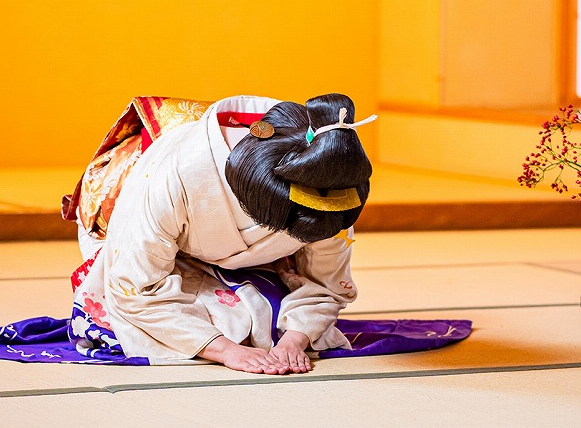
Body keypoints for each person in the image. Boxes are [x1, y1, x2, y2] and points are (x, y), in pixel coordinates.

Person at [63, 92, 376, 374]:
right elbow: (134, 287)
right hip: (128, 233)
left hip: (255, 256)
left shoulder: (330, 187)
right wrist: (224, 350)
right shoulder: (175, 176)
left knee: (268, 324)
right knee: (220, 325)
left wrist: (296, 339)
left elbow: (326, 284)